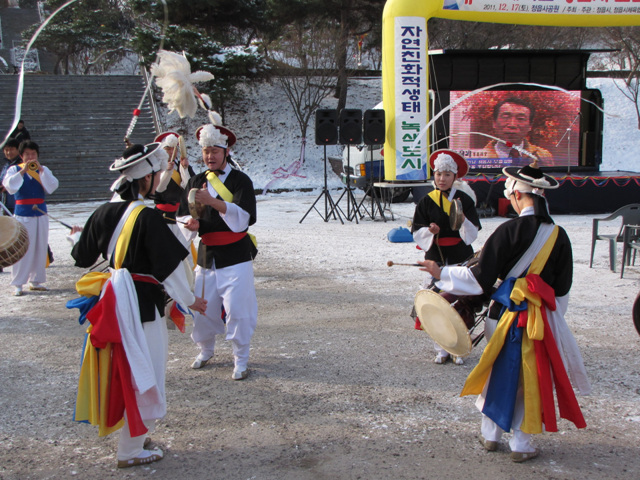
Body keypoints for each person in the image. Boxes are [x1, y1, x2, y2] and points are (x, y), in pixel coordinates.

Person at [419, 161, 590, 463]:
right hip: (538, 320)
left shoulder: (508, 230)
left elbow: (478, 279)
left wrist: (441, 272)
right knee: (528, 379)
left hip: (501, 315)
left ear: (517, 195)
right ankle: (521, 443)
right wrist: (553, 317)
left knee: (496, 371)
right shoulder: (559, 236)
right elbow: (561, 289)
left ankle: (490, 434)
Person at [68, 142, 207, 469]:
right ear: (145, 180)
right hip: (142, 304)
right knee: (145, 371)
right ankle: (129, 450)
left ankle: (136, 436)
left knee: (129, 367)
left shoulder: (103, 212)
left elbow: (81, 256)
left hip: (115, 303)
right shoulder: (147, 216)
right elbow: (170, 269)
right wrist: (191, 300)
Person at [179, 121, 258, 380]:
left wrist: (212, 201)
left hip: (235, 255)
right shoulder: (195, 180)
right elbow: (184, 215)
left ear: (226, 152)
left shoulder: (240, 180)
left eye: (215, 150)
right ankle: (205, 349)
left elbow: (246, 217)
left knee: (237, 309)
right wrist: (191, 224)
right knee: (202, 307)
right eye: (205, 151)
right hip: (206, 255)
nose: (209, 156)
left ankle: (241, 357)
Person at [411, 149, 481, 365]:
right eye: (438, 174)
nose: (442, 179)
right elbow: (416, 231)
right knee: (436, 304)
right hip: (436, 256)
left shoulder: (464, 200)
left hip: (460, 254)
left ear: (455, 177)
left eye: (447, 174)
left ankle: (459, 347)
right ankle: (440, 348)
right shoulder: (426, 201)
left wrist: (461, 222)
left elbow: (473, 233)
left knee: (460, 302)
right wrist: (428, 232)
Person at [2, 140, 58, 295]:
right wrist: (23, 171)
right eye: (27, 154)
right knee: (23, 249)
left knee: (40, 247)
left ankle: (36, 280)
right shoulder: (14, 169)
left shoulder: (43, 169)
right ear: (21, 156)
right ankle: (18, 283)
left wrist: (41, 171)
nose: (30, 157)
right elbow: (10, 187)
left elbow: (52, 186)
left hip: (40, 212)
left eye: (33, 154)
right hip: (23, 213)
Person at [482, 98, 553, 167]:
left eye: (520, 119)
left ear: (530, 126)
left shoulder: (544, 156)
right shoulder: (479, 157)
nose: (512, 125)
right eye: (506, 117)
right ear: (494, 123)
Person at [153, 131, 194, 232]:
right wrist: (167, 172)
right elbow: (159, 189)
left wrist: (184, 169)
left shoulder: (182, 165)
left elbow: (190, 188)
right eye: (168, 149)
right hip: (163, 214)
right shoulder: (156, 168)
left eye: (174, 149)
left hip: (182, 213)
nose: (171, 152)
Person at [1, 138, 21, 215]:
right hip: (6, 203)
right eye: (6, 150)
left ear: (18, 150)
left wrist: (8, 186)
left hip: (17, 203)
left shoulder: (21, 165)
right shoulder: (6, 165)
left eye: (11, 149)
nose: (8, 152)